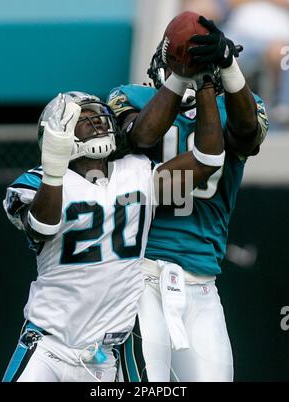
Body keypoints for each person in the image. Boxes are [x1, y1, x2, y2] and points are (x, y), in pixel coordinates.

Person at [2, 81, 225, 382]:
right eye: (82, 118)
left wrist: (204, 85)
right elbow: (42, 227)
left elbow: (207, 160)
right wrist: (54, 169)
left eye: (98, 114)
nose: (96, 121)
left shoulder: (137, 172)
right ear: (58, 134)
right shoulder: (40, 183)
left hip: (104, 359)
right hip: (48, 347)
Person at [107, 15, 269, 382]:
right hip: (138, 276)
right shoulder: (131, 97)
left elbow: (247, 135)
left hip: (201, 281)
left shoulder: (240, 106)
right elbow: (142, 136)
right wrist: (187, 75)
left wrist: (224, 68)